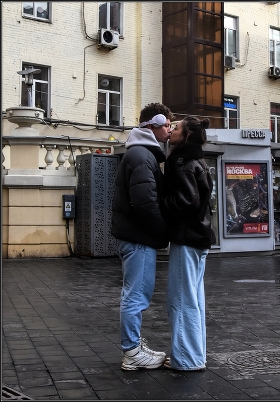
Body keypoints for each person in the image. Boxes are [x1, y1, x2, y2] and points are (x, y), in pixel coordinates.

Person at [111, 102, 175, 370]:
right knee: (136, 295)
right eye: (167, 125)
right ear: (153, 124)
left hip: (135, 236)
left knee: (134, 293)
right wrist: (163, 233)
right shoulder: (141, 156)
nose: (170, 130)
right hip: (139, 238)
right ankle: (132, 351)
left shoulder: (139, 153)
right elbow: (145, 203)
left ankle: (134, 345)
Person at [161, 116, 214, 371]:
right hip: (199, 237)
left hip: (187, 237)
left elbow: (186, 200)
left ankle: (186, 359)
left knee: (181, 300)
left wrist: (160, 203)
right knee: (194, 299)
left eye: (177, 127)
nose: (171, 130)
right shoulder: (198, 159)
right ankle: (195, 355)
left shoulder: (181, 161)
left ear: (187, 135)